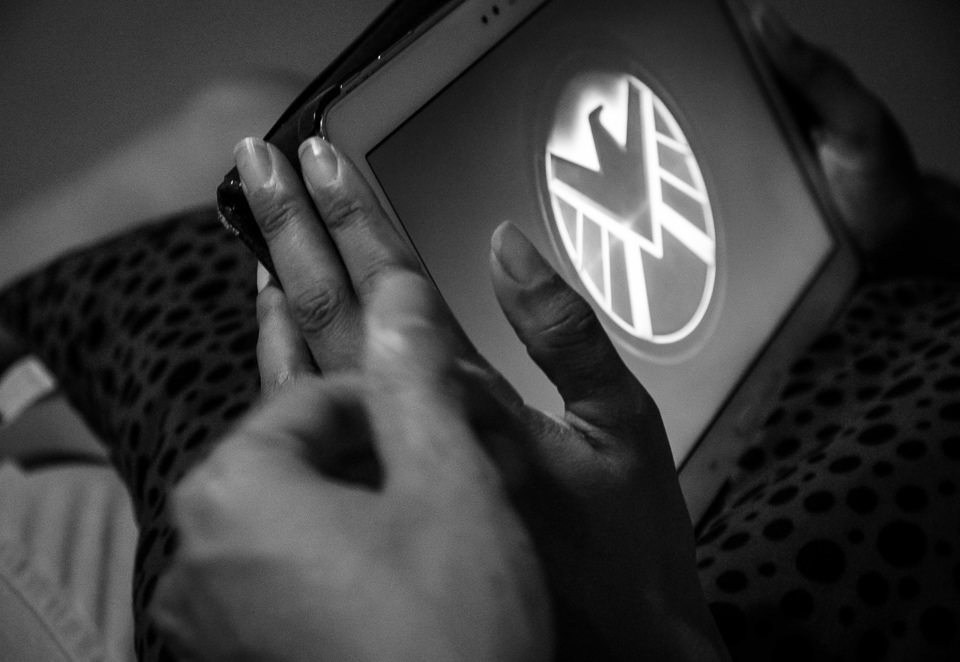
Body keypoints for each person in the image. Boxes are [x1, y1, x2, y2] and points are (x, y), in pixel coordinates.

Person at [147, 5, 960, 661]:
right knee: (245, 112)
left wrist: (639, 631)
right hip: (881, 325)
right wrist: (916, 228)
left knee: (236, 146)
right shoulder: (895, 234)